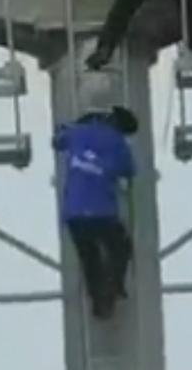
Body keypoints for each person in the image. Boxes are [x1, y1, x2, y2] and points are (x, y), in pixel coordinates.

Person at [53, 106, 138, 318]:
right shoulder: (118, 143)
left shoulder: (78, 132)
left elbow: (57, 141)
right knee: (120, 246)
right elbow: (130, 170)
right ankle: (114, 287)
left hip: (74, 212)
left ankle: (99, 303)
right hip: (102, 211)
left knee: (89, 256)